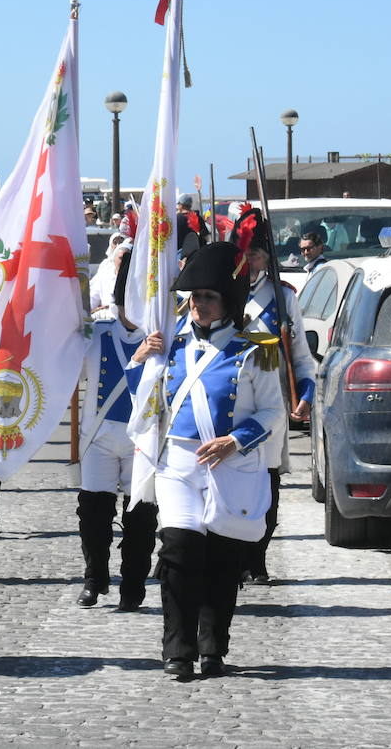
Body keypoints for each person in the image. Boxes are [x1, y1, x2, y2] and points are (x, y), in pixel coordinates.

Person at [132, 241, 284, 679]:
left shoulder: (257, 350)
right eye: (194, 297)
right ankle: (177, 650)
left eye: (208, 296)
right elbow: (139, 403)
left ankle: (213, 646)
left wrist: (235, 441)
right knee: (179, 550)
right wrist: (141, 361)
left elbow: (273, 412)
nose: (198, 304)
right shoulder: (168, 345)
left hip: (229, 464)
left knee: (222, 558)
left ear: (229, 301)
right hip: (177, 462)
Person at [233, 210, 316, 585]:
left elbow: (300, 354)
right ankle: (226, 554)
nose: (251, 262)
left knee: (266, 481)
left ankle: (257, 558)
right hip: (229, 402)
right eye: (245, 254)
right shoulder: (222, 296)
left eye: (257, 255)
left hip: (271, 402)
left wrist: (306, 390)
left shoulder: (283, 298)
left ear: (268, 257)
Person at [75, 250, 157, 610]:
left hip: (141, 440)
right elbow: (68, 367)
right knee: (93, 515)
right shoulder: (95, 332)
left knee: (140, 518)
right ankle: (94, 578)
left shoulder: (160, 338)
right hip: (98, 437)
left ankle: (133, 585)